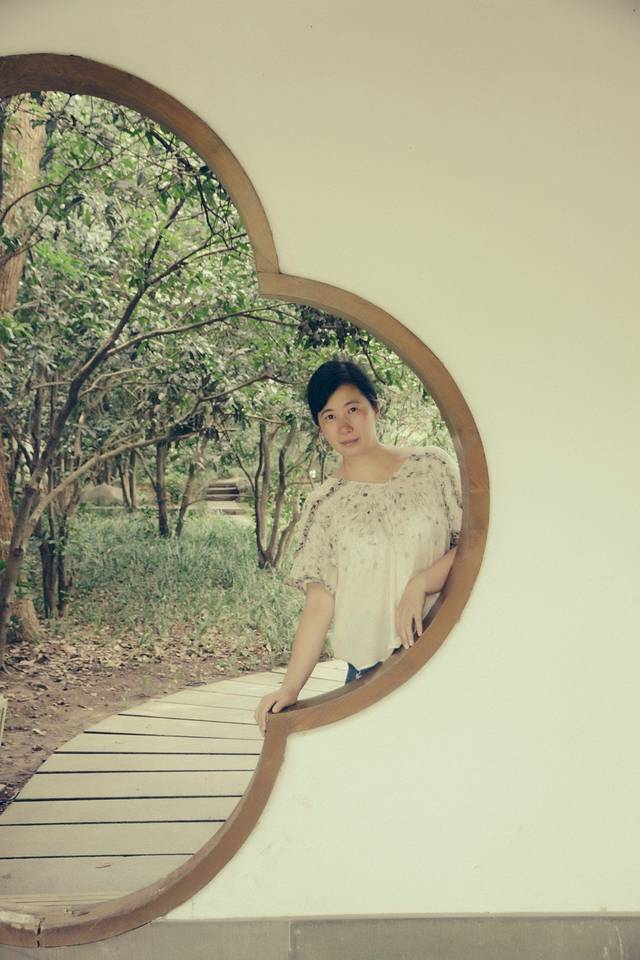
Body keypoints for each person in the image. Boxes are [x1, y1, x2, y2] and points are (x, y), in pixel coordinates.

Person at [254, 358, 462, 734]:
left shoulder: (432, 467)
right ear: (320, 426)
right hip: (370, 674)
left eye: (353, 409)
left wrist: (422, 582)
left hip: (448, 653)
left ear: (375, 409)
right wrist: (289, 688)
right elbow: (319, 605)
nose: (344, 426)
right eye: (330, 416)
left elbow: (474, 544)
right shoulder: (325, 505)